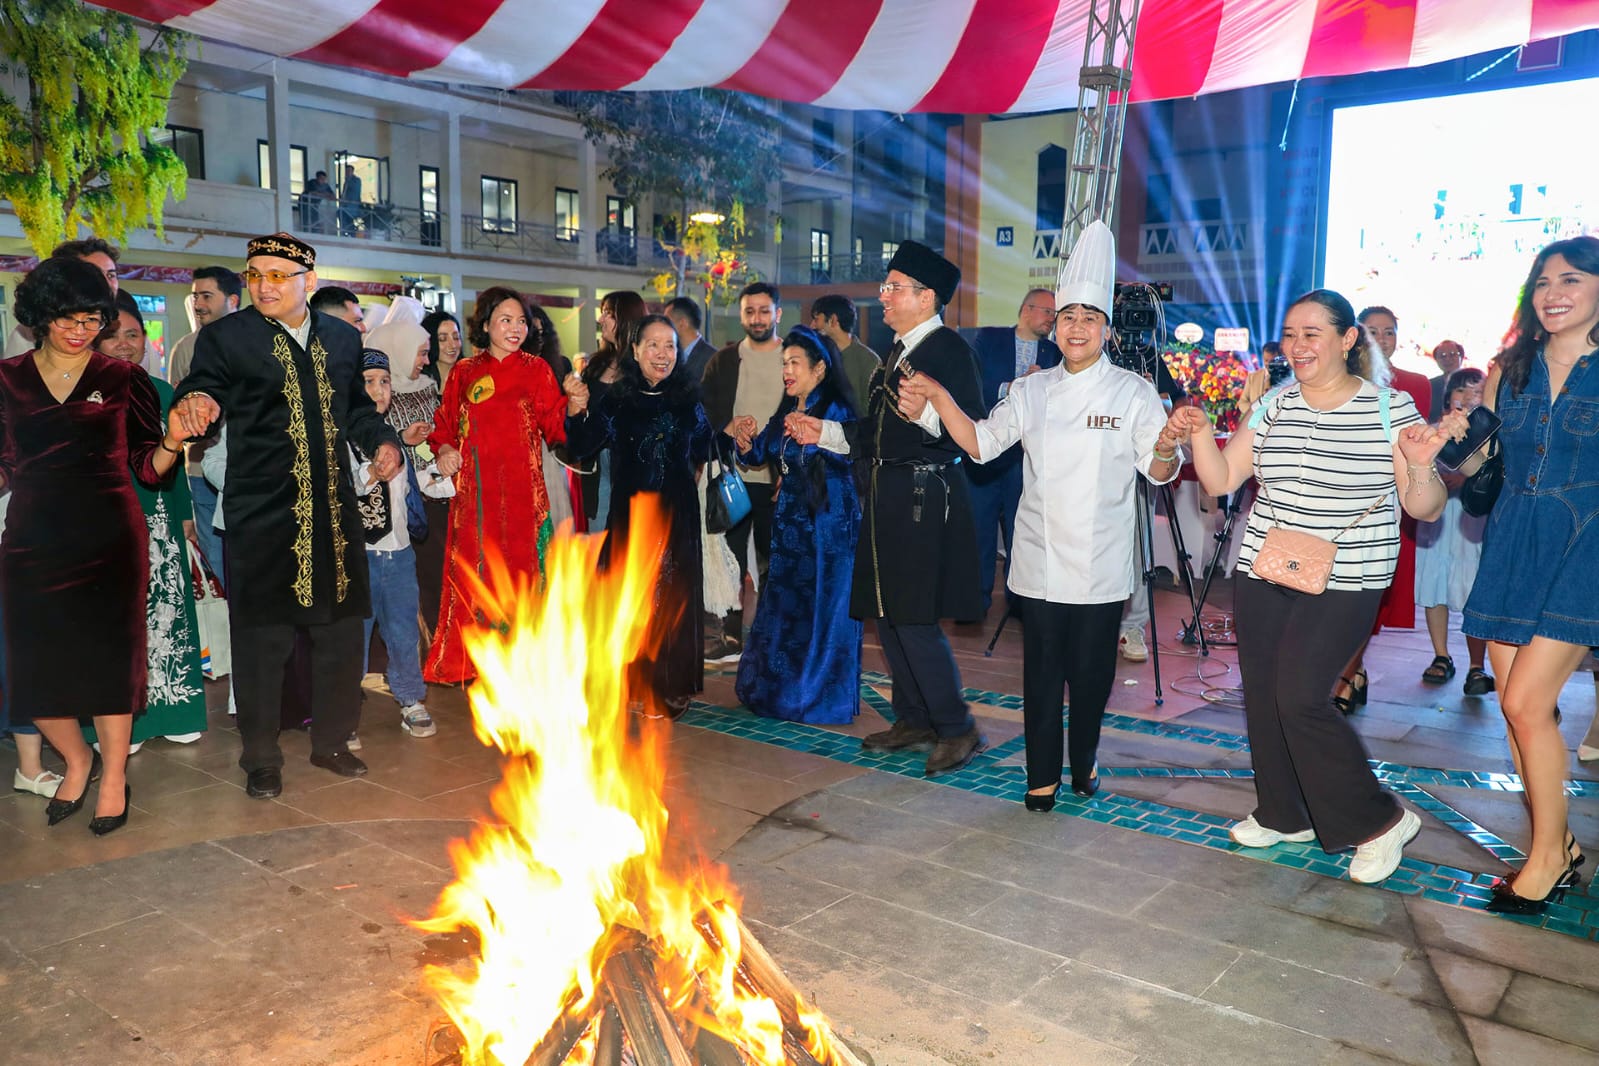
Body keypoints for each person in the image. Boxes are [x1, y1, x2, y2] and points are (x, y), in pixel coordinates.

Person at [1172, 287, 1453, 885]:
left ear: (1348, 340)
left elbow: (1424, 509)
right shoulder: (1274, 403)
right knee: (1265, 697)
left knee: (1301, 699)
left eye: (1312, 334)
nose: (1298, 347)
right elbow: (1222, 477)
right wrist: (1198, 432)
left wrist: (1423, 461)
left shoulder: (1389, 409)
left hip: (1348, 577)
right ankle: (1285, 812)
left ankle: (1379, 820)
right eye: (1291, 335)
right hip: (1264, 568)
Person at [902, 223, 1181, 806]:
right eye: (1068, 318)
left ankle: (1085, 761)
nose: (1077, 328)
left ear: (1105, 329)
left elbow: (1158, 473)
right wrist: (939, 400)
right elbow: (980, 445)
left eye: (1089, 319)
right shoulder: (1029, 391)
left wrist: (1166, 445)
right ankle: (1041, 775)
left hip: (1102, 562)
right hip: (1039, 558)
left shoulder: (1133, 392)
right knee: (1041, 673)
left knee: (1092, 677)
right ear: (1054, 328)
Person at [171, 232, 404, 799]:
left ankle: (330, 742)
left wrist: (381, 438)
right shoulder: (226, 337)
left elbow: (355, 408)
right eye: (256, 274)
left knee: (341, 634)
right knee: (262, 642)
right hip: (263, 514)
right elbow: (205, 387)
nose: (264, 285)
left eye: (278, 275)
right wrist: (199, 402)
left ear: (309, 281)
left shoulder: (342, 339)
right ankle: (260, 756)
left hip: (333, 513)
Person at [2, 256, 186, 833]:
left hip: (109, 536)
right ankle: (76, 760)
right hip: (32, 537)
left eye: (92, 318)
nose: (80, 329)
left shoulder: (121, 379)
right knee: (35, 669)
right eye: (67, 318)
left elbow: (150, 471)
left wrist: (174, 442)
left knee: (110, 663)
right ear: (39, 316)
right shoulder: (5, 379)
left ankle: (111, 776)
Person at [1462, 236, 1599, 914]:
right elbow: (1480, 460)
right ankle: (1560, 847)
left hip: (1586, 544)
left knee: (1521, 702)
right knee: (1524, 715)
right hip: (1513, 540)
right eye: (1542, 282)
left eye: (1570, 279)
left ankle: (1545, 857)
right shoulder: (1505, 373)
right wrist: (1438, 445)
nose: (1553, 293)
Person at [856, 241, 986, 776]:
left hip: (923, 498)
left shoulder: (951, 352)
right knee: (886, 616)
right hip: (887, 492)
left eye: (893, 287)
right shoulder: (898, 350)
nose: (883, 296)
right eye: (885, 287)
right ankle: (914, 716)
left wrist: (929, 417)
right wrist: (828, 434)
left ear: (926, 296)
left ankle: (956, 726)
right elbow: (879, 430)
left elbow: (976, 432)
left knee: (911, 617)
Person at [565, 314, 714, 716]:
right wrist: (577, 409)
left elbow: (705, 445)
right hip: (630, 517)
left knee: (673, 600)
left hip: (676, 519)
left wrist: (734, 432)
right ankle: (628, 681)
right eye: (653, 345)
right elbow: (582, 445)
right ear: (635, 350)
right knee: (630, 600)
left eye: (670, 346)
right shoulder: (617, 400)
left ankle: (671, 687)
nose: (662, 354)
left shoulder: (688, 399)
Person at [424, 287, 567, 684]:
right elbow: (444, 425)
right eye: (506, 320)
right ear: (485, 325)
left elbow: (556, 426)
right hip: (476, 495)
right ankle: (472, 659)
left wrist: (574, 405)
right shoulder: (466, 372)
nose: (516, 328)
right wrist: (446, 449)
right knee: (476, 571)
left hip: (524, 494)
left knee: (522, 574)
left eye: (521, 321)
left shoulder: (537, 370)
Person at [727, 326, 862, 724]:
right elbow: (763, 454)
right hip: (789, 531)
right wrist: (746, 440)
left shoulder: (835, 411)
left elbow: (850, 458)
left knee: (821, 611)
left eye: (794, 364)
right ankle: (776, 690)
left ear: (819, 368)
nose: (787, 371)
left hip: (826, 529)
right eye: (784, 363)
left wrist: (817, 439)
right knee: (785, 609)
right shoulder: (789, 407)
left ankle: (814, 696)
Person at [98, 292, 208, 747]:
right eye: (112, 336)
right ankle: (129, 723)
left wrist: (183, 513)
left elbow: (175, 459)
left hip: (159, 512)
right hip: (109, 516)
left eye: (133, 334)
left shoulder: (162, 391)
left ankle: (174, 710)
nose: (124, 345)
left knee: (166, 608)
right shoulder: (87, 392)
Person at [1330, 305, 1431, 712]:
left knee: (1369, 603)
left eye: (1388, 332)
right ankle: (1351, 673)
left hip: (1389, 509)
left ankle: (1347, 675)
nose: (1381, 340)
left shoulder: (1413, 385)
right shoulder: (1329, 385)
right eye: (1372, 331)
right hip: (1334, 513)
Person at [699, 282, 788, 662]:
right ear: (741, 315)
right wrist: (727, 425)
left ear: (778, 314)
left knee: (774, 562)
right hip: (733, 480)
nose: (757, 318)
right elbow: (702, 411)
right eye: (750, 311)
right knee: (729, 560)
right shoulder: (724, 360)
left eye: (764, 311)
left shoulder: (794, 357)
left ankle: (771, 639)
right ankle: (730, 637)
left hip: (778, 480)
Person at [352, 349, 435, 738]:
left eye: (384, 382)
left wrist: (441, 469)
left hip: (399, 553)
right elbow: (343, 487)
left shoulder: (399, 439)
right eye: (368, 382)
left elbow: (412, 491)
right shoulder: (347, 439)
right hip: (360, 557)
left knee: (402, 629)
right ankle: (343, 707)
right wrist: (371, 470)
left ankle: (409, 695)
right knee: (354, 633)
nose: (377, 390)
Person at [966, 287, 1063, 618]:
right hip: (987, 457)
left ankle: (1018, 603)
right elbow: (974, 386)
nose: (1052, 319)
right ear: (1026, 310)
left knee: (1021, 532)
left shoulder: (1055, 352)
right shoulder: (989, 339)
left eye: (1054, 314)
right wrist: (1018, 386)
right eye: (1047, 312)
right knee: (980, 529)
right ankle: (975, 602)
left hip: (1026, 458)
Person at [1415, 367, 1493, 694]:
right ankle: (1441, 655)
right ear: (1448, 396)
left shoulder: (1491, 433)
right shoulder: (1432, 430)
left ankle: (1477, 666)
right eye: (1460, 390)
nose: (1466, 397)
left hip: (1472, 519)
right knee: (1435, 584)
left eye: (1476, 391)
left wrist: (1466, 478)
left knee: (1475, 587)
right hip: (1437, 516)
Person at [168, 265, 242, 577]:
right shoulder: (185, 347)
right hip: (200, 469)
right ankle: (224, 624)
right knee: (216, 559)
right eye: (196, 296)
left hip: (250, 471)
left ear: (233, 301)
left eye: (207, 296)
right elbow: (177, 410)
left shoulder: (253, 344)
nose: (198, 304)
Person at [573, 290, 646, 532]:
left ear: (626, 319)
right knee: (599, 546)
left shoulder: (644, 367)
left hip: (632, 472)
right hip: (596, 467)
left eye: (608, 313)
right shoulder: (597, 364)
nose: (600, 319)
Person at [4, 237, 121, 358]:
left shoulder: (127, 320)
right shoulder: (31, 332)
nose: (104, 282)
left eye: (111, 275)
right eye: (92, 273)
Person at [809, 294, 881, 414]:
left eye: (816, 320)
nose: (812, 326)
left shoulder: (868, 360)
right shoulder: (816, 357)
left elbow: (872, 412)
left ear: (833, 320)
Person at [667, 296, 718, 384]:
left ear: (682, 323)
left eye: (667, 321)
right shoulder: (670, 354)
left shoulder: (713, 359)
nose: (663, 326)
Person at [422, 309, 465, 393]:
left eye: (456, 337)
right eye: (443, 339)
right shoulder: (420, 382)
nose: (452, 345)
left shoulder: (472, 376)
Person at [1429, 339, 1464, 426]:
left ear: (1461, 357)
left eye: (1452, 354)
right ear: (1436, 360)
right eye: (1442, 356)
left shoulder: (1473, 382)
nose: (1448, 359)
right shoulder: (1430, 385)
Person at [339, 164, 363, 236]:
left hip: (352, 206)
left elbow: (355, 190)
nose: (347, 173)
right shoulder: (346, 181)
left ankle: (351, 233)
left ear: (352, 172)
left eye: (349, 171)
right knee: (341, 215)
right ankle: (345, 232)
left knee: (348, 218)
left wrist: (348, 181)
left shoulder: (356, 180)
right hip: (345, 205)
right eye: (346, 171)